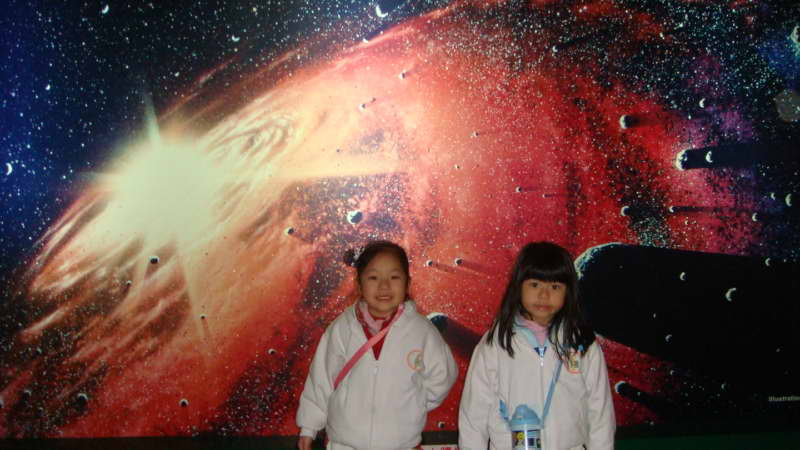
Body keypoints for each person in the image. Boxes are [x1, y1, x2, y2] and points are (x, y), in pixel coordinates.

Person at [297, 240, 458, 450]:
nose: (384, 286)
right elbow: (321, 379)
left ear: (407, 283)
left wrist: (415, 404)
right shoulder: (343, 328)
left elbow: (443, 375)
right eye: (373, 277)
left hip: (401, 445)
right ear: (359, 284)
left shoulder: (422, 331)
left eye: (394, 277)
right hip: (345, 444)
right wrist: (309, 427)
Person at [458, 242, 615, 450]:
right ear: (518, 287)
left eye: (555, 287)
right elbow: (474, 414)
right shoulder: (496, 343)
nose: (544, 295)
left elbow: (600, 412)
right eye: (535, 285)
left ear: (569, 291)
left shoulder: (582, 344)